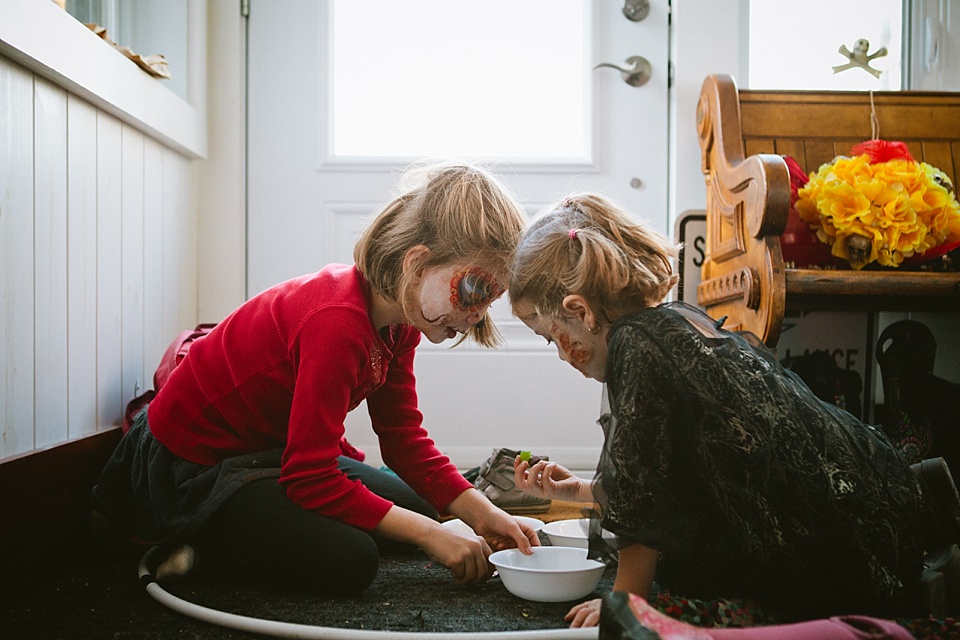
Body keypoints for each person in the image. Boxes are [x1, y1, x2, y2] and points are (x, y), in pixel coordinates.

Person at [507, 193, 960, 630]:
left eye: (551, 337)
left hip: (842, 559)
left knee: (680, 596)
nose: (562, 355)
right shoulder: (682, 321)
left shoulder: (637, 347)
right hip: (872, 512)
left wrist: (627, 606)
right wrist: (583, 490)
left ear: (580, 311)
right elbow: (672, 474)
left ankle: (883, 598)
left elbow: (645, 506)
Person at [89, 162, 538, 595]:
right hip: (192, 465)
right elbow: (310, 477)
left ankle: (246, 533)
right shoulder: (336, 322)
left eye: (491, 298)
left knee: (418, 508)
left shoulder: (400, 323)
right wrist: (430, 536)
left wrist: (484, 514)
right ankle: (198, 542)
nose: (478, 314)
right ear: (416, 265)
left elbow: (403, 440)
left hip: (271, 453)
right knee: (351, 559)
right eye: (475, 289)